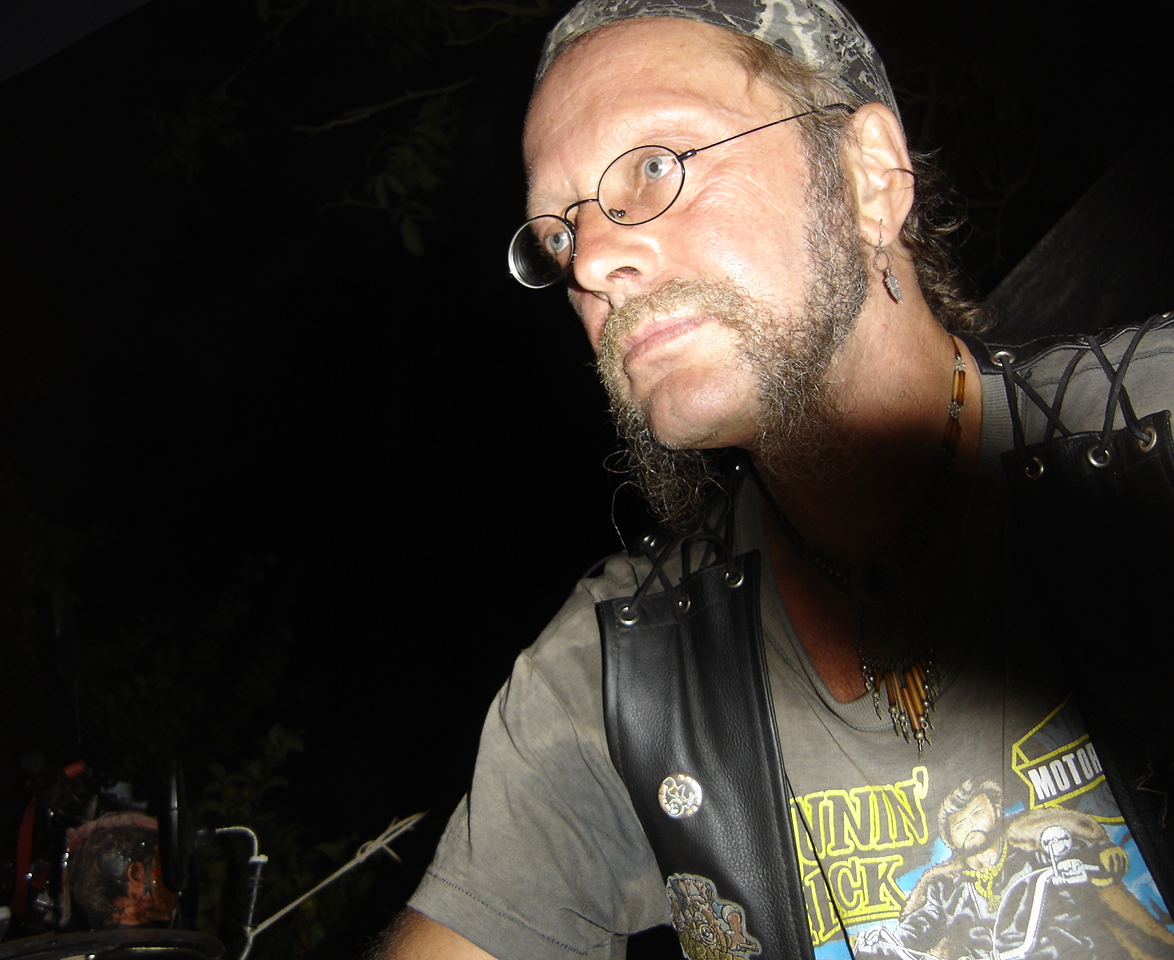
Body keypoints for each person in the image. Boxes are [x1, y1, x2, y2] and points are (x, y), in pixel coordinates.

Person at [372, 1, 1174, 957]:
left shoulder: (1150, 440)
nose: (593, 262)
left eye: (655, 166)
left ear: (870, 178)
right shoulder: (622, 672)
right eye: (558, 233)